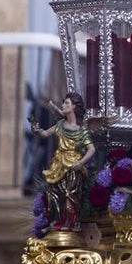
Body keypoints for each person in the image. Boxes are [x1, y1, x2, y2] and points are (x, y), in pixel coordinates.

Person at [30, 92, 96, 232]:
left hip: (73, 167)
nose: (63, 105)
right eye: (64, 103)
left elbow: (91, 149)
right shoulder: (60, 125)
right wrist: (36, 130)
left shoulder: (82, 130)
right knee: (53, 194)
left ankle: (71, 222)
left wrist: (81, 163)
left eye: (66, 103)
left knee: (70, 195)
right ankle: (59, 220)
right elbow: (45, 133)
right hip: (58, 165)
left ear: (74, 107)